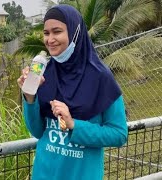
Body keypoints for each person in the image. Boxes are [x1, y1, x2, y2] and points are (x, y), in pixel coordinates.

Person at [17, 4, 128, 180]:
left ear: (76, 32)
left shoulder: (101, 78)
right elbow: (38, 132)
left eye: (57, 31)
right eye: (46, 33)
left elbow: (119, 134)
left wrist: (73, 124)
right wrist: (30, 98)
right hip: (44, 173)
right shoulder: (44, 73)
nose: (50, 39)